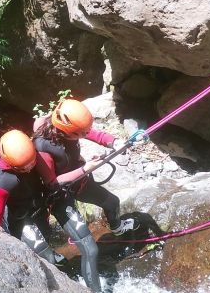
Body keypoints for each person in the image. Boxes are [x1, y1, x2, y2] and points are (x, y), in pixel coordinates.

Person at [0, 129, 108, 293]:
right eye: (24, 167)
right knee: (48, 261)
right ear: (10, 164)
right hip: (22, 220)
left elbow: (52, 183)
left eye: (31, 162)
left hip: (43, 207)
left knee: (79, 245)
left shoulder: (34, 156)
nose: (30, 168)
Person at [33, 98, 135, 236]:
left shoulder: (65, 127)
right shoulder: (43, 147)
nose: (86, 135)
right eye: (82, 133)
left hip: (80, 178)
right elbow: (52, 183)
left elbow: (94, 134)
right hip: (66, 189)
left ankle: (116, 228)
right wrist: (86, 168)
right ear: (69, 132)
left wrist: (113, 142)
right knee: (111, 203)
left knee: (112, 202)